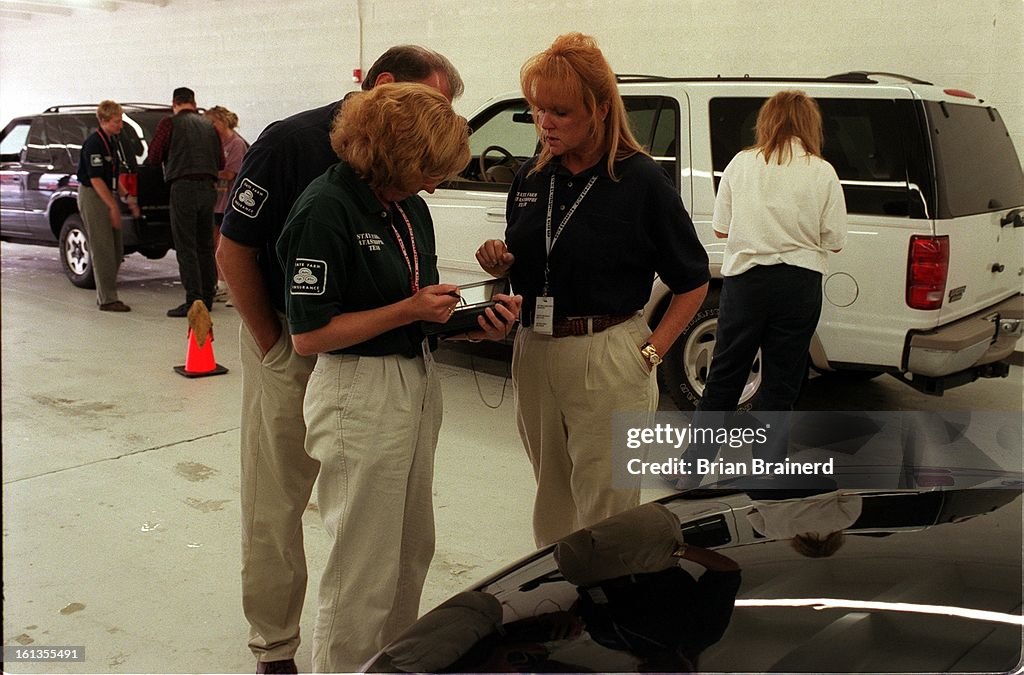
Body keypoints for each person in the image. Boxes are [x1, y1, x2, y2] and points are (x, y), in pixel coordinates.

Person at [216, 45, 464, 675]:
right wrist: (274, 344)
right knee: (276, 502)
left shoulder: (401, 198)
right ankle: (275, 646)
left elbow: (406, 285)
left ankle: (385, 654)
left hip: (371, 359)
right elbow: (234, 251)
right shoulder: (293, 147)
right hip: (289, 335)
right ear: (387, 89)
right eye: (432, 103)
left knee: (386, 537)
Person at [277, 82, 520, 673]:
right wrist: (409, 312)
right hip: (355, 391)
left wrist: (469, 325)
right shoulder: (325, 210)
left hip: (413, 378)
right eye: (429, 168)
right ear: (397, 156)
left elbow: (418, 308)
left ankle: (391, 664)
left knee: (411, 550)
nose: (437, 182)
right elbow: (309, 335)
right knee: (360, 561)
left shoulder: (408, 208)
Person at [475, 33, 710, 548]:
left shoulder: (642, 182)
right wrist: (502, 259)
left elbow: (693, 281)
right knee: (551, 498)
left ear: (600, 109)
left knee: (606, 508)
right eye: (537, 110)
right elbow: (537, 258)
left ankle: (609, 612)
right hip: (536, 351)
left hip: (609, 355)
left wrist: (649, 353)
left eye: (559, 111)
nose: (545, 123)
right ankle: (562, 605)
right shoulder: (534, 178)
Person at [672, 90, 847, 486]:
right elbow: (834, 239)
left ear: (766, 121)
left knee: (725, 374)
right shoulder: (823, 172)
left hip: (746, 283)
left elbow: (721, 227)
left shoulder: (741, 164)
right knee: (782, 381)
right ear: (810, 125)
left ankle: (693, 467)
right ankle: (767, 471)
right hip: (799, 284)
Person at [147, 86, 224, 317]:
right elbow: (220, 161)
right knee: (205, 245)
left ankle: (193, 301)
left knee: (186, 246)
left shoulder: (169, 124)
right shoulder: (209, 126)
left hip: (183, 188)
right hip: (209, 189)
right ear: (193, 101)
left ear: (174, 103)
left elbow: (153, 156)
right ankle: (207, 299)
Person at [76, 100, 139, 312]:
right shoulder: (94, 143)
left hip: (106, 193)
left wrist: (127, 196)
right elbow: (95, 179)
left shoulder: (111, 141)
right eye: (116, 121)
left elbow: (112, 175)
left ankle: (106, 292)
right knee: (103, 249)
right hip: (94, 196)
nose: (120, 125)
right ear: (103, 121)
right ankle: (108, 299)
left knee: (116, 249)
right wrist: (112, 206)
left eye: (121, 120)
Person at [204, 105, 248, 304]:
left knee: (226, 244)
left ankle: (233, 288)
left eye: (213, 123)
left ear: (222, 122)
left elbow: (230, 173)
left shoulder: (236, 144)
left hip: (229, 200)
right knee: (215, 241)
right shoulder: (214, 143)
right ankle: (221, 282)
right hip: (216, 201)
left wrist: (207, 171)